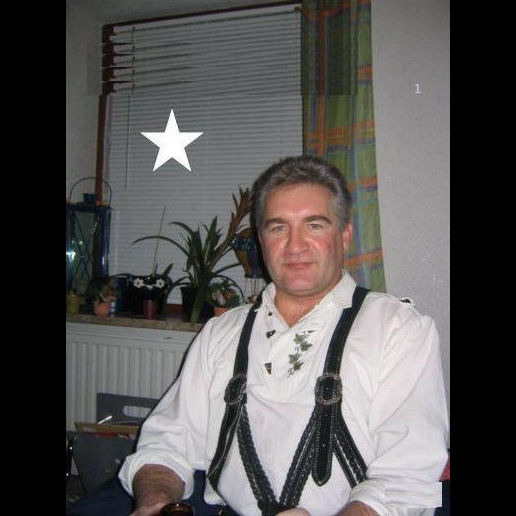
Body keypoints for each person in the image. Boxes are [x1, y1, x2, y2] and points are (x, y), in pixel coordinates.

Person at [117, 155, 449, 516]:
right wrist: (155, 502)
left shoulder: (399, 330)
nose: (294, 246)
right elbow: (166, 444)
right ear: (262, 241)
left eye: (314, 226)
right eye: (278, 228)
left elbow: (406, 477)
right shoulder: (220, 333)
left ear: (345, 236)